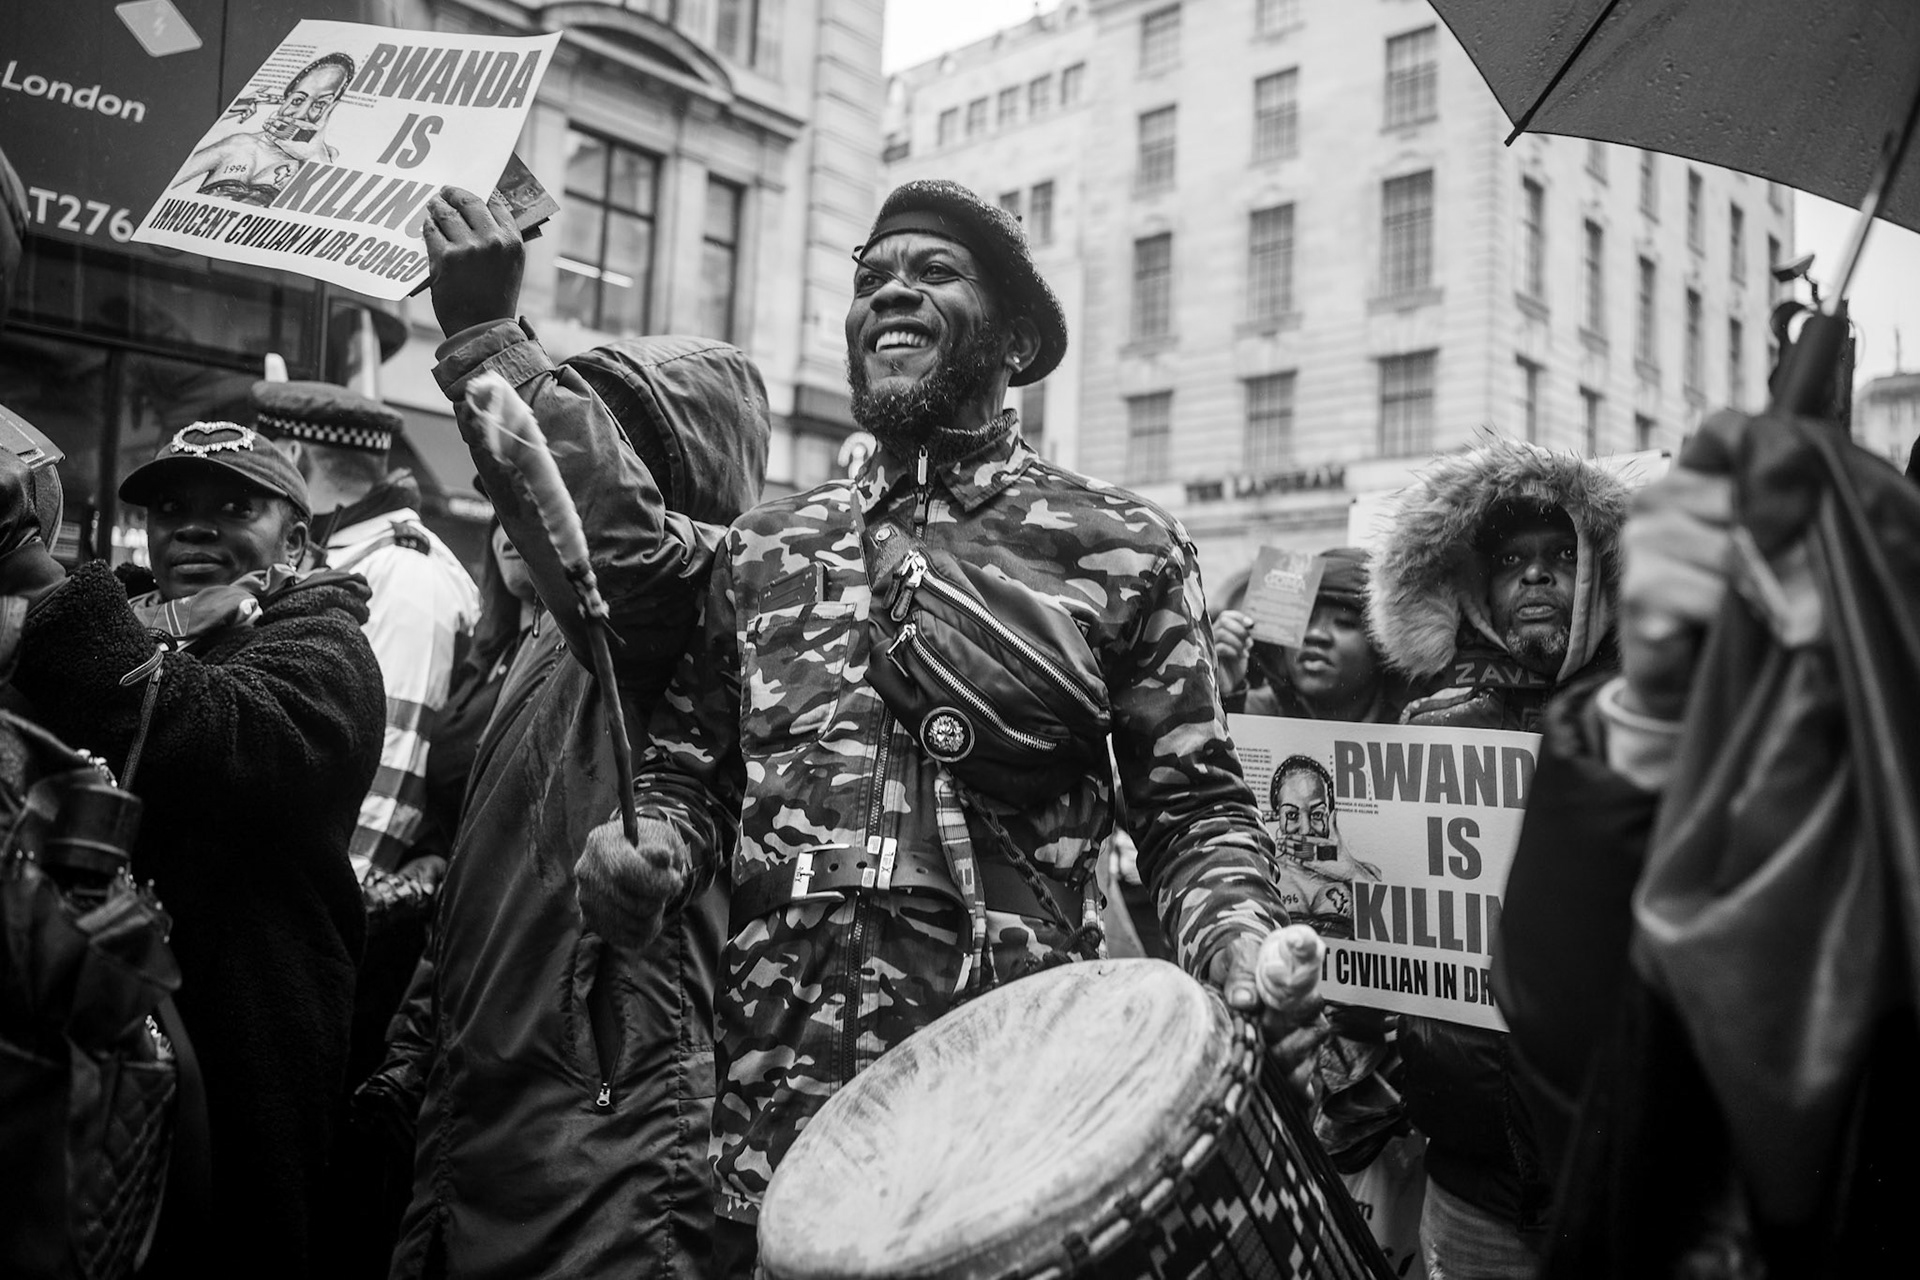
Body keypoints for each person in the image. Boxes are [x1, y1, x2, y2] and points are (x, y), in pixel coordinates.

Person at [572, 179, 1322, 1277]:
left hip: (1011, 1125)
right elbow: (692, 774)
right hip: (779, 1126)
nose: (891, 295)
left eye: (932, 273)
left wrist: (1238, 941)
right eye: (872, 277)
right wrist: (649, 851)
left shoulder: (1118, 544)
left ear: (1014, 339)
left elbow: (1194, 811)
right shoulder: (767, 545)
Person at [362, 185, 770, 1280]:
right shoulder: (548, 644)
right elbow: (480, 899)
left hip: (606, 1161)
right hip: (480, 1141)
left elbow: (619, 548)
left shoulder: (699, 592)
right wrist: (412, 1062)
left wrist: (488, 334)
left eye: (603, 442)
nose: (538, 467)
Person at [0, 421, 385, 1275]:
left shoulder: (329, 648)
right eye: (171, 509)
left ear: (298, 539)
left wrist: (37, 576)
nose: (194, 526)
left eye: (235, 505)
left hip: (246, 1049)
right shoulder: (130, 622)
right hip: (98, 1035)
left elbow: (212, 736)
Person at [1366, 437, 1630, 1275]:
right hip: (1472, 1184)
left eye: (1562, 555)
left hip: (1624, 1176)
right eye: (1513, 559)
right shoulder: (1428, 734)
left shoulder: (1658, 728)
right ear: (1474, 587)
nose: (1538, 576)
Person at [257, 380, 480, 880]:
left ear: (293, 455)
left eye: (262, 455)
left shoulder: (405, 575)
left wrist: (341, 898)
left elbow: (395, 758)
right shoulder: (347, 553)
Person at [1215, 546, 1407, 723]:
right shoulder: (1248, 716)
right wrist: (1219, 694)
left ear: (1381, 644)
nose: (1315, 635)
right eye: (1303, 620)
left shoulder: (1418, 722)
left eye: (1344, 623)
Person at [170, 53, 354, 205]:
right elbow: (163, 187)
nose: (300, 114)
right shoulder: (240, 144)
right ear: (285, 99)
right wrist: (228, 114)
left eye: (320, 104)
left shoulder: (326, 158)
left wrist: (312, 155)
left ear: (332, 108)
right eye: (297, 100)